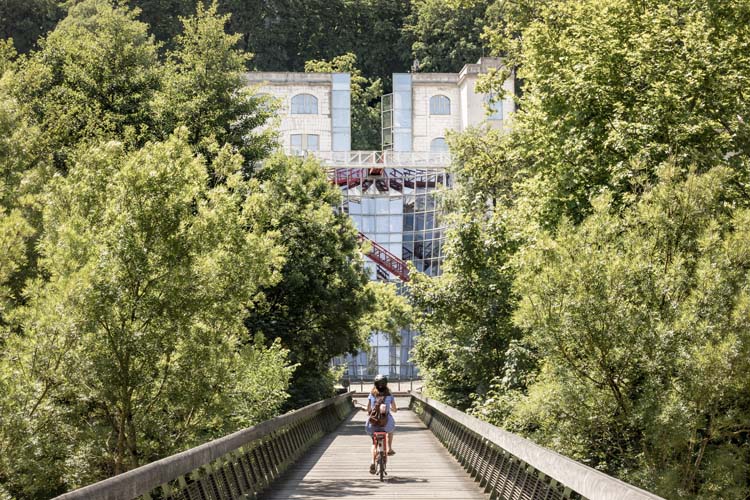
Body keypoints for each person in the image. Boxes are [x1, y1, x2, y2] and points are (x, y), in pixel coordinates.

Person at [365, 374, 397, 474]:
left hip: (373, 424)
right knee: (391, 430)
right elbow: (394, 409)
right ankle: (390, 448)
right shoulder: (389, 395)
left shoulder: (372, 394)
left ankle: (372, 462)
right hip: (386, 424)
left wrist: (368, 412)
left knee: (374, 443)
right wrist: (392, 409)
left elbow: (368, 409)